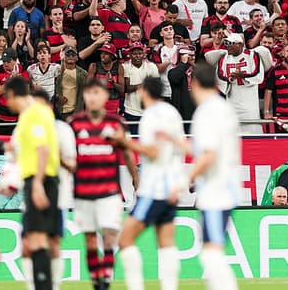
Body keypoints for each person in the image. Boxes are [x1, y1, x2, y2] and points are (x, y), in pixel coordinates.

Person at [116, 76, 185, 290]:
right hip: (172, 185)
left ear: (144, 92)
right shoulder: (172, 113)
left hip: (155, 187)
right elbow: (181, 147)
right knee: (166, 243)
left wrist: (124, 142)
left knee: (125, 240)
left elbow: (153, 151)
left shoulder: (150, 116)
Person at [70, 79, 138, 290]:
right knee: (90, 241)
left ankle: (105, 282)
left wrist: (136, 178)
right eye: (89, 93)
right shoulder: (74, 124)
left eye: (96, 93)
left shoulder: (116, 123)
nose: (92, 97)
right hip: (83, 193)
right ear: (84, 97)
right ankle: (96, 281)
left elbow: (127, 152)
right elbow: (67, 156)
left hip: (109, 192)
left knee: (109, 238)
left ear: (105, 97)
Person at [187, 61, 241, 290]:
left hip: (214, 190)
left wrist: (184, 179)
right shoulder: (224, 108)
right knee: (212, 250)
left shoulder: (206, 112)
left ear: (194, 83)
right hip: (228, 186)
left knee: (210, 253)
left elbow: (208, 156)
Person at [4, 76, 58, 290]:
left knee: (35, 241)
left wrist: (36, 184)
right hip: (42, 179)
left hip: (40, 180)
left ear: (11, 95)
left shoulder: (31, 114)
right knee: (30, 241)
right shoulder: (41, 111)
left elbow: (42, 149)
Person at [205, 32, 271, 134]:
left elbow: (258, 75)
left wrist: (242, 75)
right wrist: (230, 79)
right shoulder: (224, 58)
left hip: (249, 104)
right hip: (232, 102)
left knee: (252, 131)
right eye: (226, 44)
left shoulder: (252, 55)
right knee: (231, 133)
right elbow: (220, 76)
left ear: (239, 44)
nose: (228, 47)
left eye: (231, 44)